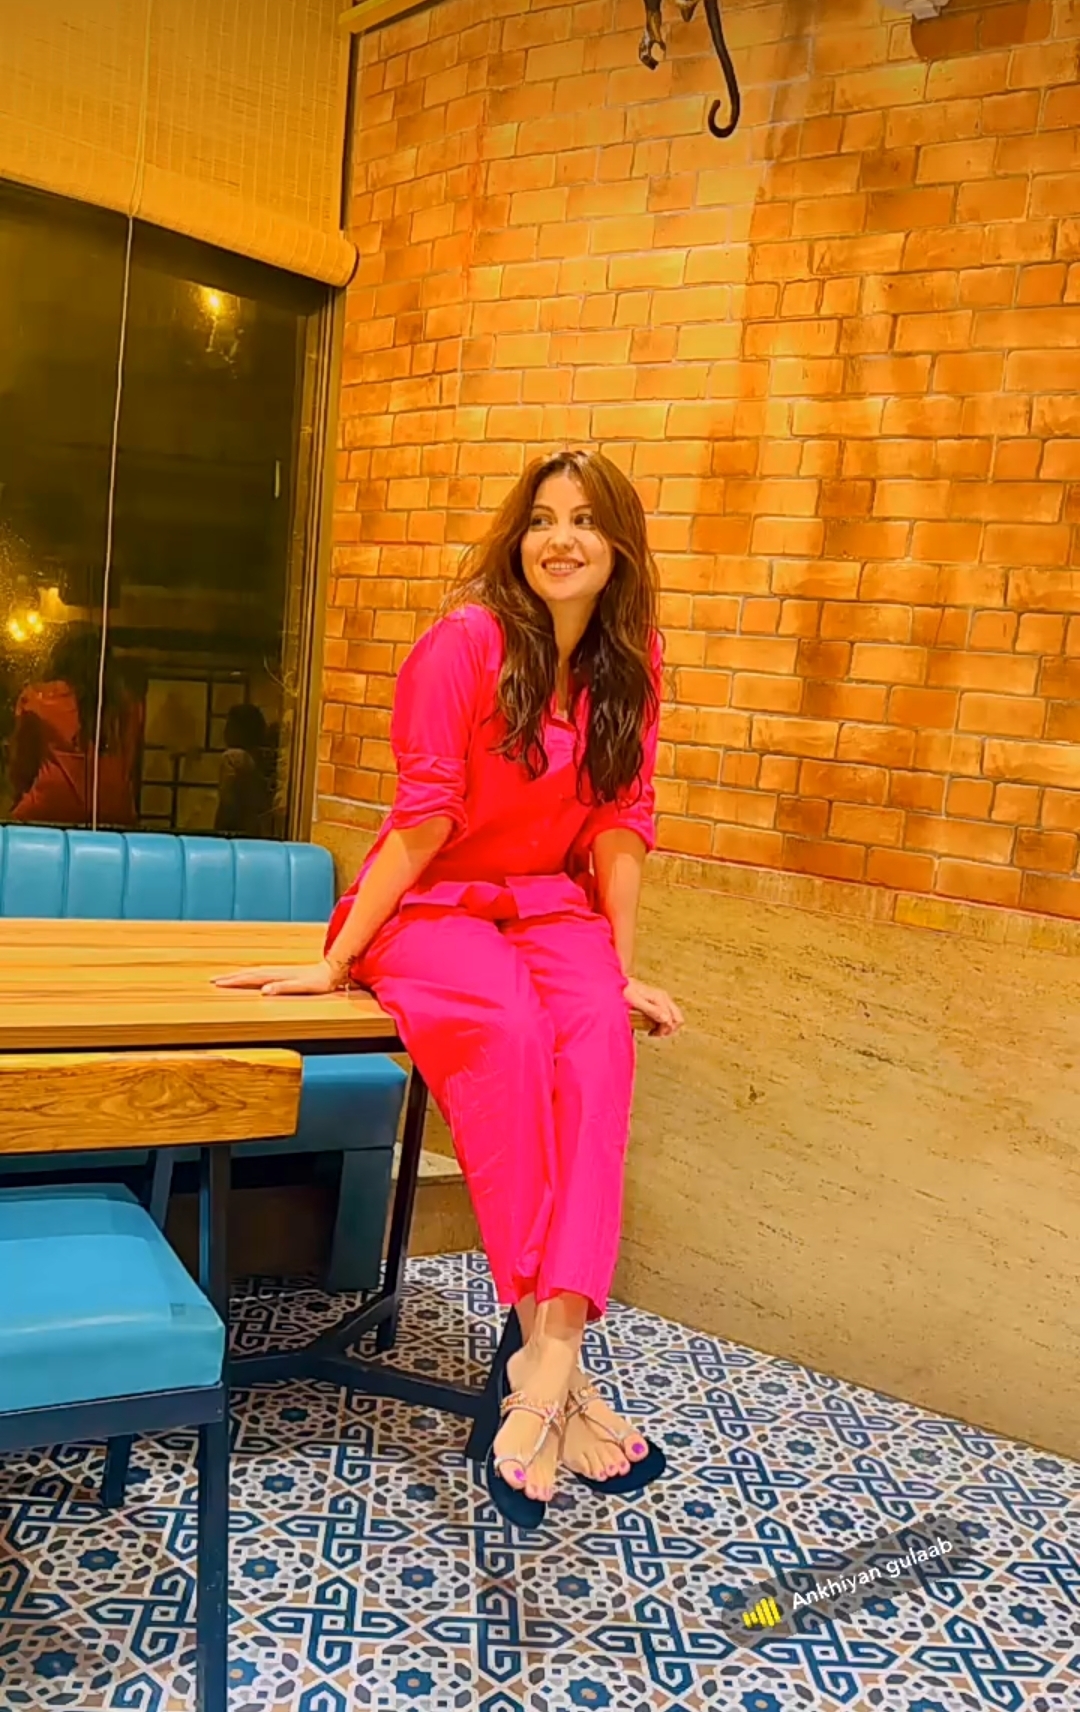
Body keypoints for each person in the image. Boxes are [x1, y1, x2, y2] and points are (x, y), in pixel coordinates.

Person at [216, 449, 684, 1526]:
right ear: (518, 539)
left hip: (549, 905)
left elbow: (623, 823)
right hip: (435, 902)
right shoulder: (464, 645)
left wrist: (615, 970)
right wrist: (337, 958)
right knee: (509, 1037)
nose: (560, 539)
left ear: (619, 545)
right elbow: (423, 813)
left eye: (585, 520)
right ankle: (557, 1381)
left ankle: (546, 1365)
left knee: (599, 1045)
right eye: (542, 519)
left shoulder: (635, 662)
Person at [8, 628, 140, 828]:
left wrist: (19, 793)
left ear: (59, 659)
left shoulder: (37, 699)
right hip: (114, 812)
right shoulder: (125, 704)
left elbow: (21, 764)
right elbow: (128, 764)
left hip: (48, 805)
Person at [215, 701, 272, 836]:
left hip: (235, 833)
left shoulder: (234, 758)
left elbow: (228, 802)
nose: (225, 731)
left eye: (229, 725)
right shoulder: (260, 760)